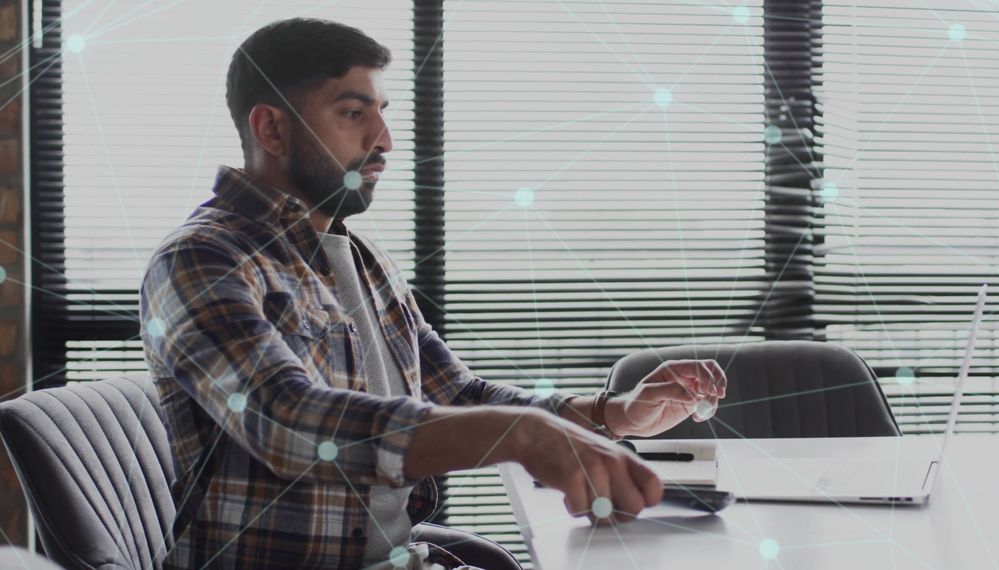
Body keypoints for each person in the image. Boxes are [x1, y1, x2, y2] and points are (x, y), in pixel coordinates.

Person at [140, 17, 726, 570]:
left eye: (382, 113)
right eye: (353, 113)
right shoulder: (202, 259)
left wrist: (615, 412)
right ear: (271, 127)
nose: (385, 140)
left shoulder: (360, 257)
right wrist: (521, 435)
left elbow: (458, 393)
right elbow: (287, 421)